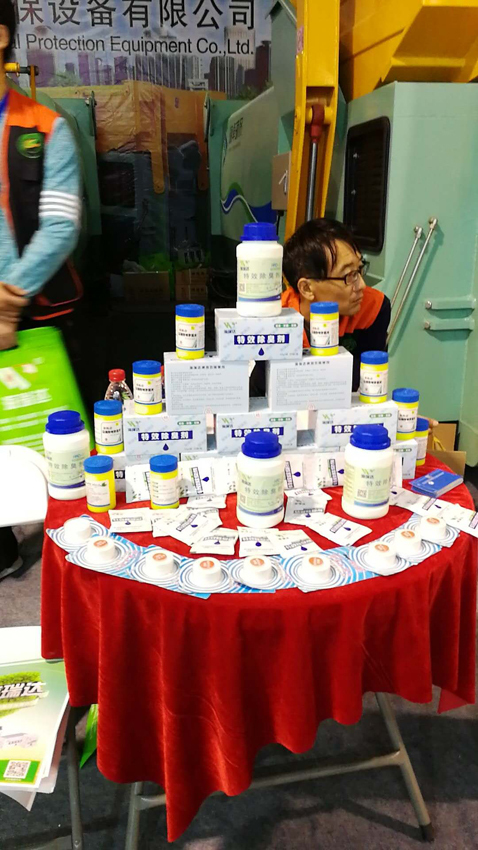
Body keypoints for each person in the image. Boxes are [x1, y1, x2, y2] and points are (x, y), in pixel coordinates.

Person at [0, 0, 82, 578]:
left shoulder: (46, 128)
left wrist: (8, 300)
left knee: (61, 444)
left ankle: (75, 551)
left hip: (42, 315)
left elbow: (60, 225)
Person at [251, 217, 390, 396]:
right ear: (307, 288)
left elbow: (366, 380)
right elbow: (264, 386)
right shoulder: (276, 321)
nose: (362, 285)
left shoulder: (373, 307)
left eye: (359, 269)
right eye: (349, 275)